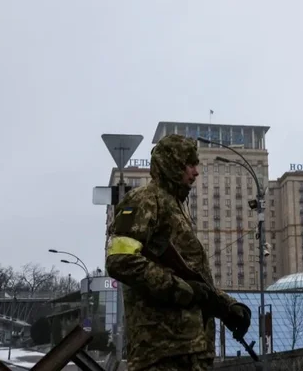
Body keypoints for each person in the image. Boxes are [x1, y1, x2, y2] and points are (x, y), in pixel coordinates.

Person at [106, 134, 251, 371]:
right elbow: (121, 260)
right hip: (161, 352)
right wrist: (181, 290)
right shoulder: (145, 199)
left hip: (189, 349)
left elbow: (193, 277)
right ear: (172, 165)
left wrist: (227, 306)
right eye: (189, 164)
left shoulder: (174, 207)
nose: (195, 172)